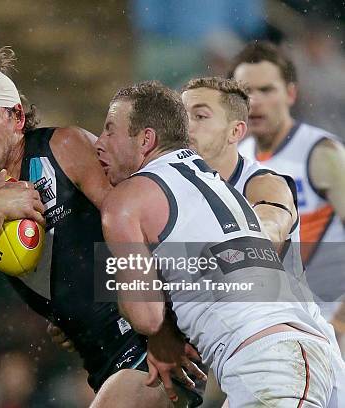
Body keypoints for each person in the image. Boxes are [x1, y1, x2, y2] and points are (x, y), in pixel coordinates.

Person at [0, 46, 204, 407]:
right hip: (98, 361)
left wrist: (164, 326)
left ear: (17, 118)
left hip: (152, 349)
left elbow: (148, 230)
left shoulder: (63, 147)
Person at [96, 80, 343, 407]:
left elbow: (146, 317)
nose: (99, 143)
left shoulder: (127, 200)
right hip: (308, 355)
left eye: (110, 130)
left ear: (146, 139)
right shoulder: (218, 183)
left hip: (270, 360)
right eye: (187, 116)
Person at [181, 76, 342, 406]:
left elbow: (272, 219)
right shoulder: (177, 192)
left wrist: (259, 236)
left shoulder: (263, 182)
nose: (185, 127)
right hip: (242, 364)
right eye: (181, 116)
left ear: (236, 132)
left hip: (292, 357)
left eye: (200, 115)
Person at [230, 41, 345, 352]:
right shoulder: (236, 159)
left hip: (332, 326)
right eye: (245, 92)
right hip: (275, 324)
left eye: (267, 90)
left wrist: (341, 322)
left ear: (291, 94)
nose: (254, 102)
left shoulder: (321, 153)